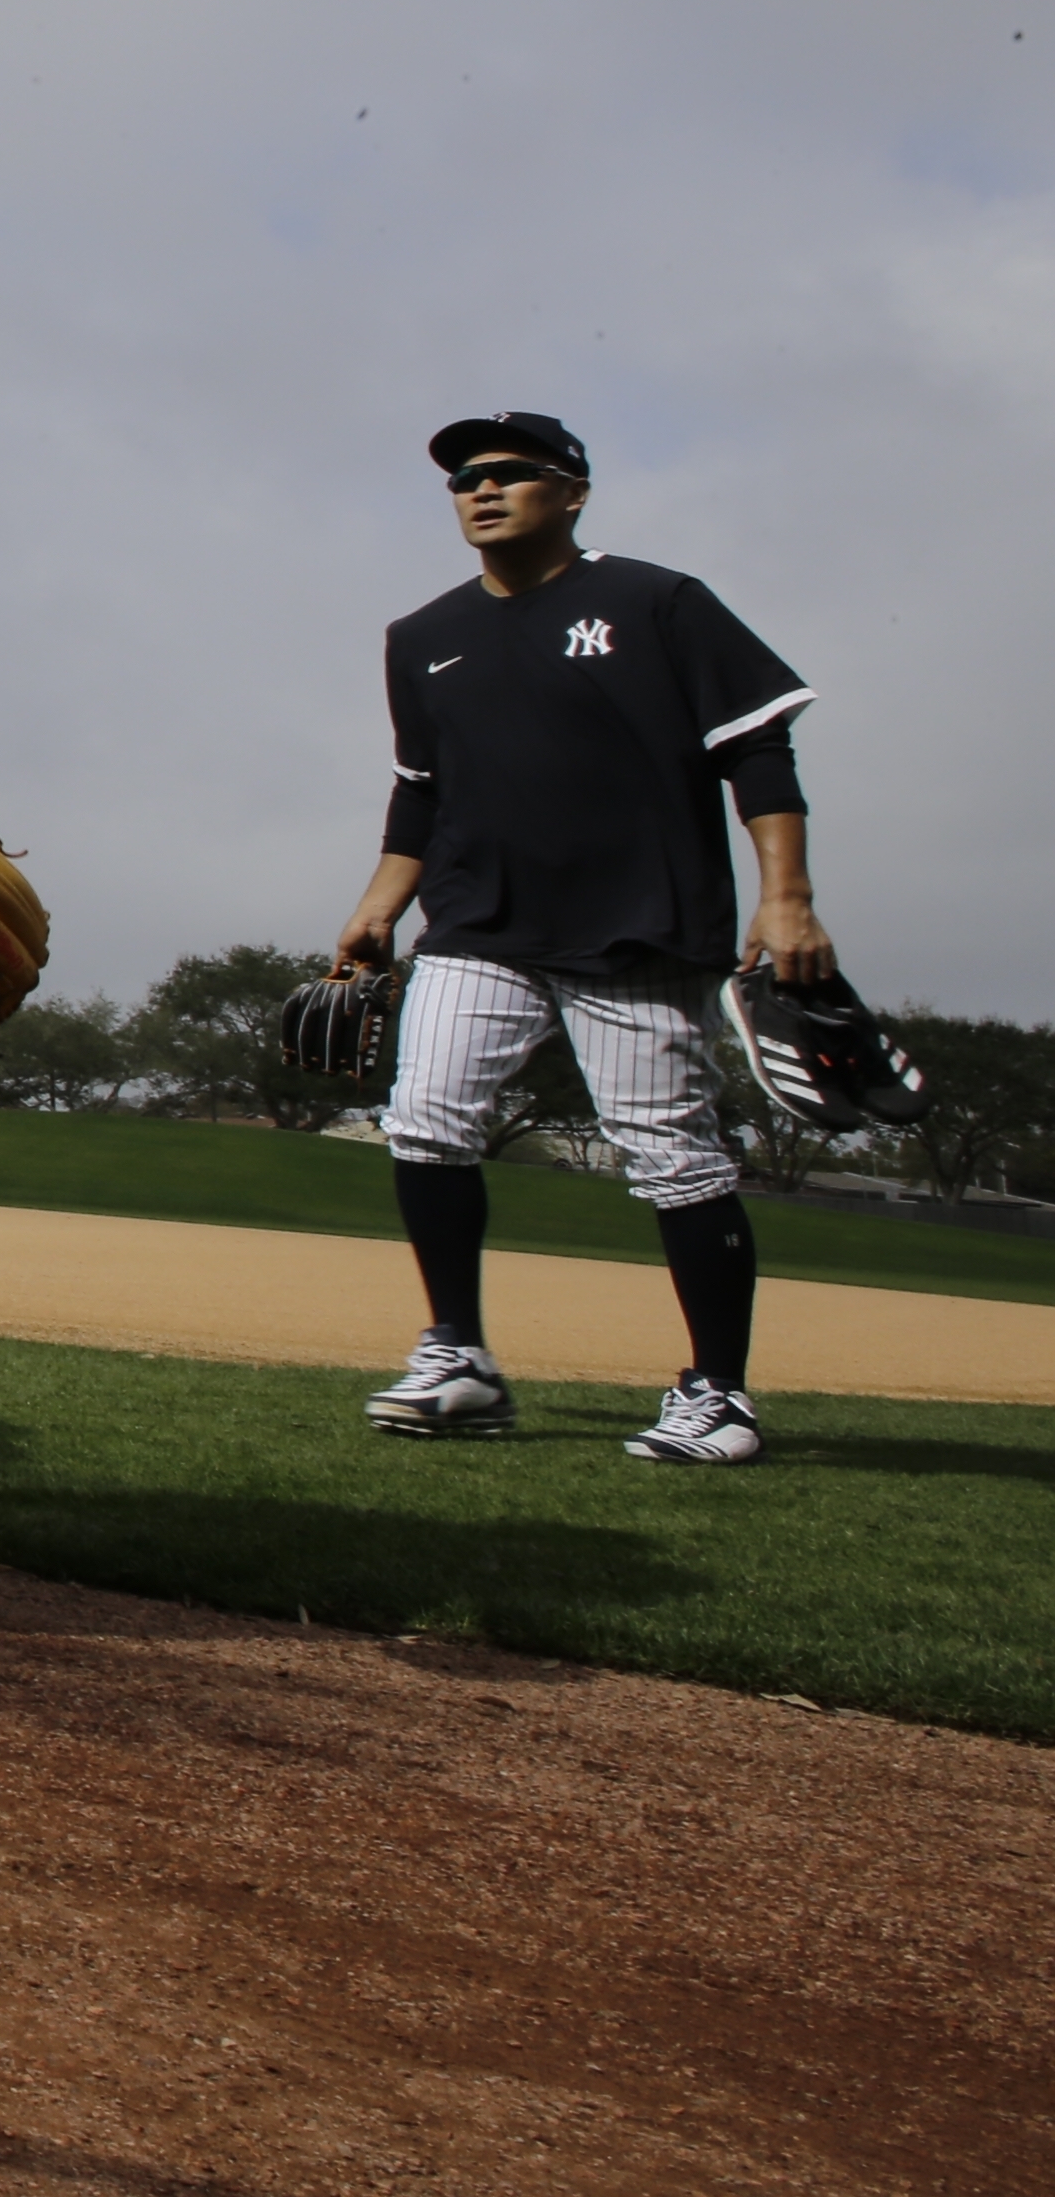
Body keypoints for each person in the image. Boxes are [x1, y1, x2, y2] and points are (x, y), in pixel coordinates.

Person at [332, 415, 825, 1466]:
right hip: (478, 924)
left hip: (634, 923)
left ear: (573, 492)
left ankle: (718, 1394)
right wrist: (381, 901)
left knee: (669, 1154)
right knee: (424, 1118)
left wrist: (787, 900)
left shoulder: (656, 602)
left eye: (513, 474)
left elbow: (759, 749)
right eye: (466, 477)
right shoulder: (421, 637)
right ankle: (458, 1356)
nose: (484, 489)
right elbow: (421, 791)